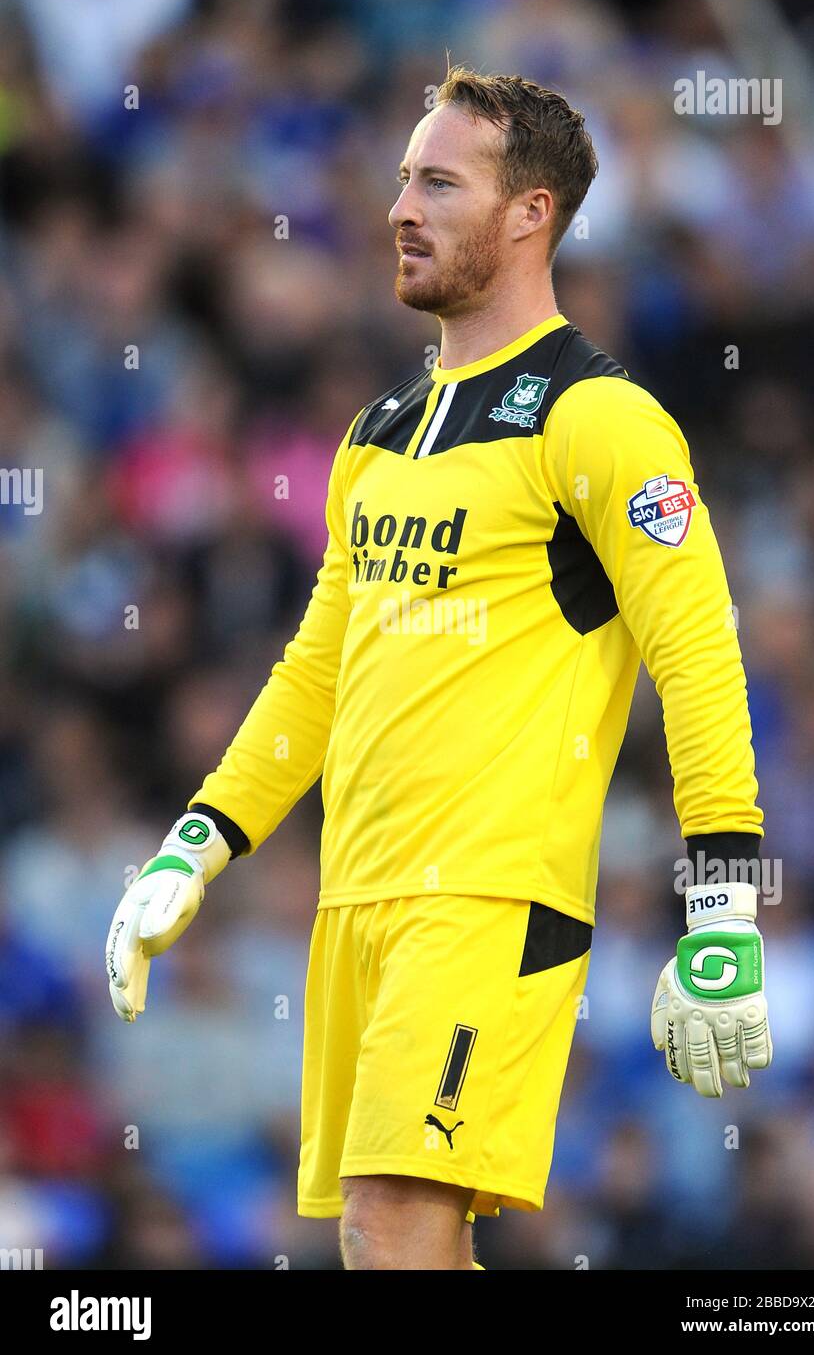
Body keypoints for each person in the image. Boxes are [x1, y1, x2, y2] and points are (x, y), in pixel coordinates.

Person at [105, 67, 772, 1271]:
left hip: (486, 896)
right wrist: (199, 837)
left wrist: (720, 895)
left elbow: (696, 641)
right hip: (356, 898)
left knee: (393, 1223)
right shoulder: (376, 432)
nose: (400, 206)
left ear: (529, 214)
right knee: (389, 1242)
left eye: (438, 182)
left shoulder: (598, 418)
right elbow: (319, 666)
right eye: (403, 176)